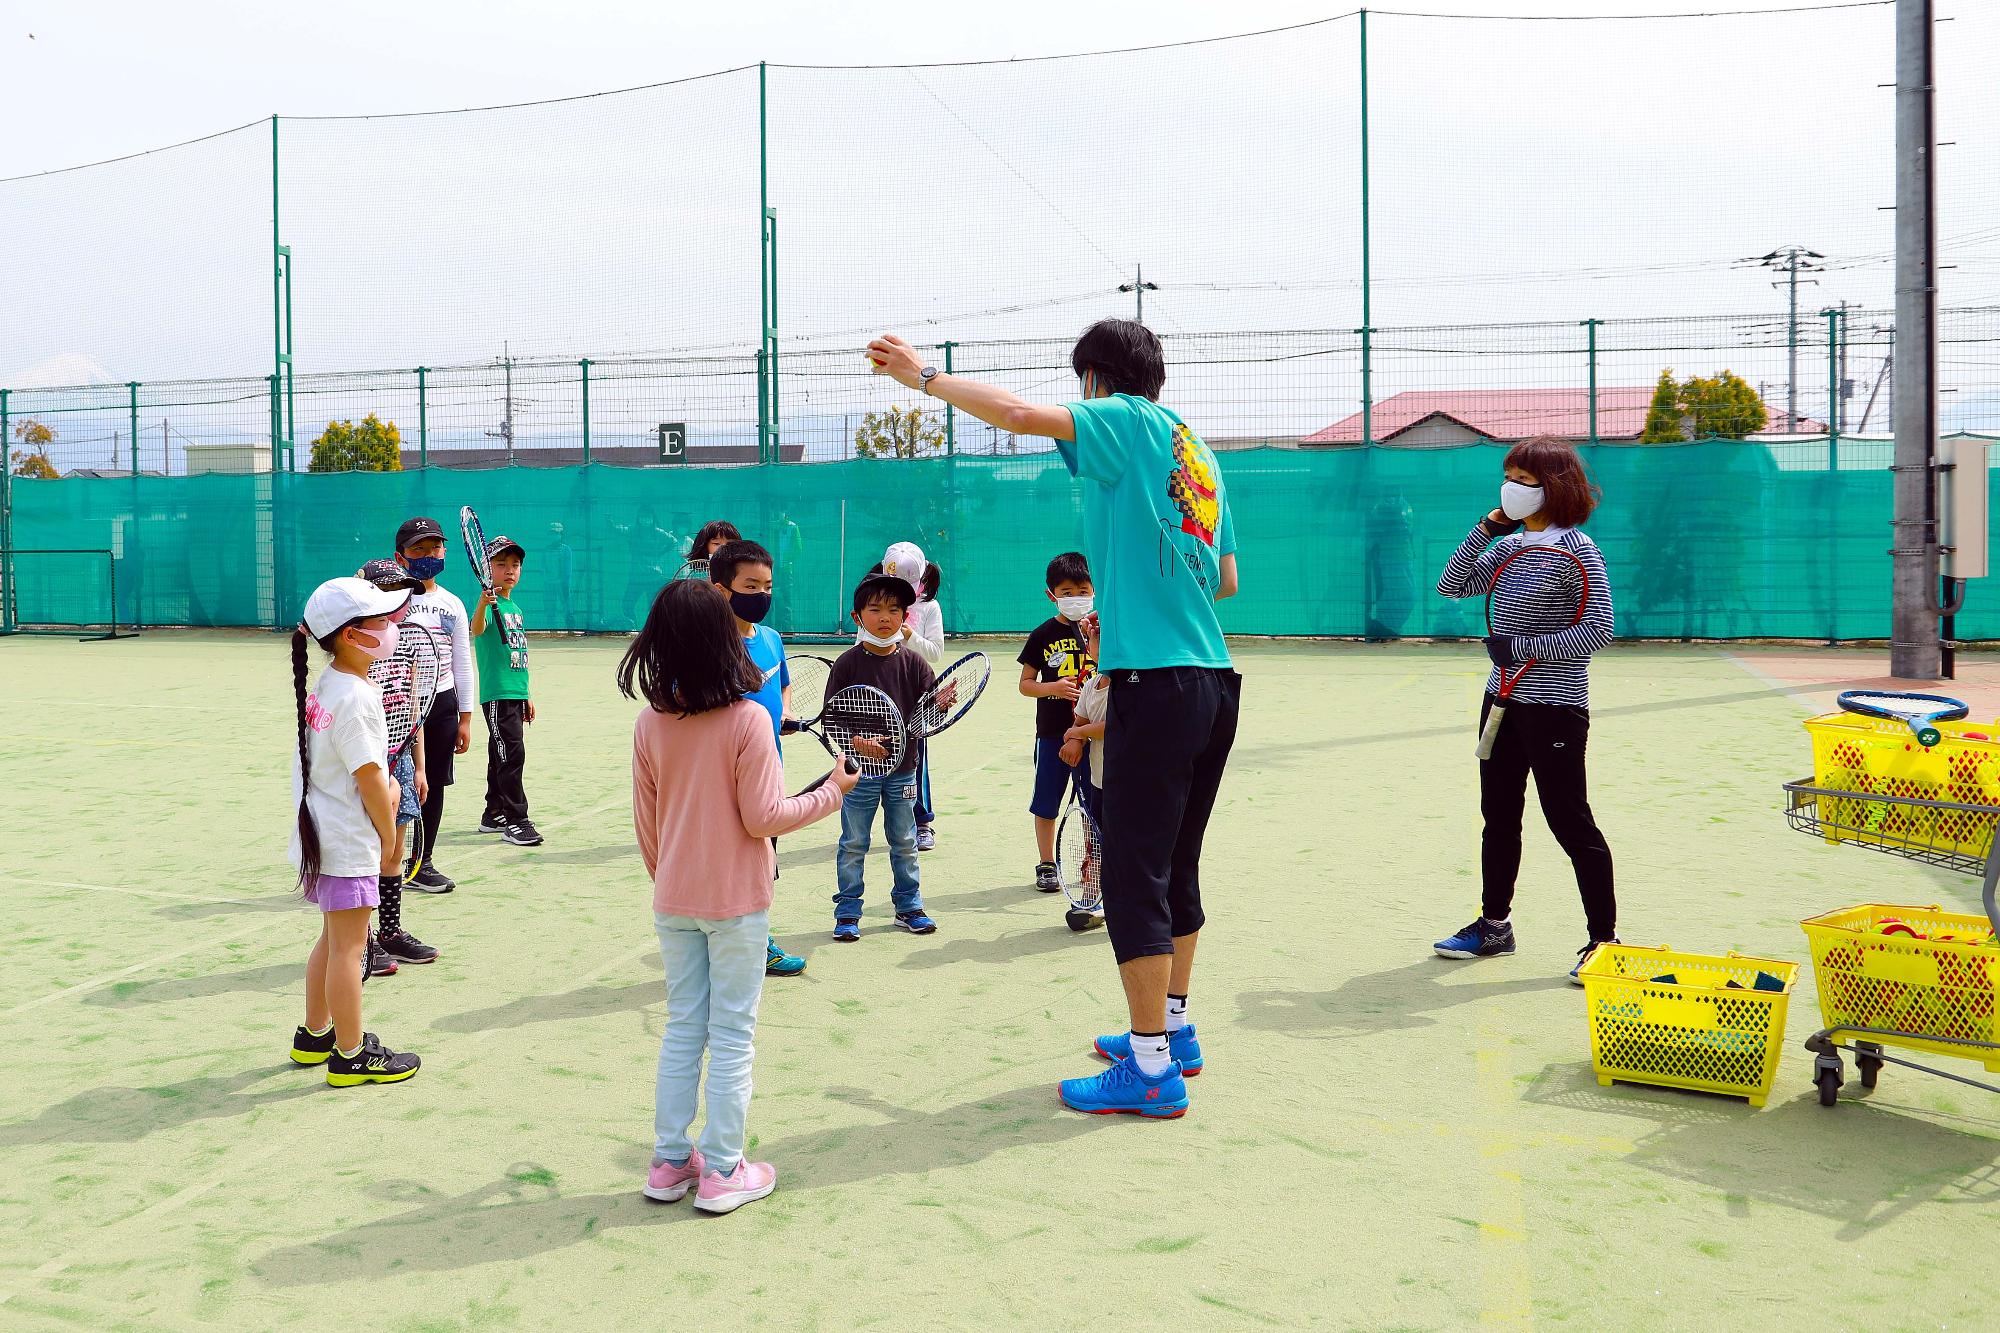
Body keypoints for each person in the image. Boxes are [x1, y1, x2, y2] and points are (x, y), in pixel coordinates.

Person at [866, 319, 1240, 1119]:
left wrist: (923, 379)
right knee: (1176, 867)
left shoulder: (1124, 419)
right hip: (1212, 680)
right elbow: (1227, 580)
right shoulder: (1196, 453)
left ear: (1097, 378)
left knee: (1135, 875)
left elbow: (1014, 415)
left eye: (1083, 384)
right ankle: (1172, 1031)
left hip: (1158, 684)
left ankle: (1149, 1070)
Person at [622, 580, 855, 1214]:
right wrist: (834, 790)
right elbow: (764, 817)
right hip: (736, 907)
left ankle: (670, 1163)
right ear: (723, 640)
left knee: (683, 1030)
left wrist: (670, 877)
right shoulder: (749, 719)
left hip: (672, 899)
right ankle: (724, 1169)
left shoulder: (650, 722)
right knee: (731, 1036)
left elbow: (647, 824)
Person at [1431, 435, 1617, 983]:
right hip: (1501, 703)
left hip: (1556, 708)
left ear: (1554, 490)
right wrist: (1490, 525)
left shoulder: (1579, 551)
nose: (1512, 490)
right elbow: (1452, 585)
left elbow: (1599, 629)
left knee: (1569, 820)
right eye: (1508, 479)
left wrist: (1526, 648)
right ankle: (1495, 926)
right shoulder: (1509, 547)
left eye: (1525, 483)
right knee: (1499, 817)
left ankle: (1603, 939)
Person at [285, 577, 423, 1087]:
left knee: (332, 938)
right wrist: (389, 836)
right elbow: (369, 777)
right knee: (349, 947)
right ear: (349, 635)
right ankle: (349, 1055)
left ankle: (315, 1034)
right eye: (381, 621)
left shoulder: (330, 685)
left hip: (325, 832)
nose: (391, 628)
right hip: (347, 838)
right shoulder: (359, 698)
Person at [707, 538, 810, 978]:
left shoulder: (770, 637)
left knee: (764, 862)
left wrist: (783, 712)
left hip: (769, 771)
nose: (762, 595)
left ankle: (757, 942)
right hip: (719, 777)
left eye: (768, 585)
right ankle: (722, 941)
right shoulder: (706, 645)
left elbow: (781, 683)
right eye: (751, 585)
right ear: (720, 589)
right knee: (722, 862)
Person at [826, 573, 938, 942]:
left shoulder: (917, 665)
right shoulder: (846, 664)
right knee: (854, 842)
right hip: (859, 775)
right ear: (858, 617)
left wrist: (941, 705)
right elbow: (832, 718)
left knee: (904, 841)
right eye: (875, 609)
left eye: (894, 610)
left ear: (906, 617)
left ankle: (909, 908)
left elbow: (927, 718)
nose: (885, 617)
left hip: (904, 773)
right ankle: (847, 913)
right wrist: (857, 742)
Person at [356, 558, 441, 971]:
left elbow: (413, 706)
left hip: (402, 758)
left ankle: (389, 932)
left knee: (395, 851)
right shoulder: (356, 645)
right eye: (388, 592)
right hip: (366, 765)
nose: (399, 600)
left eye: (403, 592)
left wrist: (419, 768)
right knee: (368, 854)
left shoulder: (409, 642)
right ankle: (362, 941)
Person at [394, 516, 477, 893]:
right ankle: (384, 863)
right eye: (418, 549)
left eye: (434, 548)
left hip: (441, 705)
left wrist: (465, 717)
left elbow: (462, 660)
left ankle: (420, 863)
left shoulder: (453, 604)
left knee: (433, 786)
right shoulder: (389, 600)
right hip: (395, 706)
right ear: (401, 557)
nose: (428, 555)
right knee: (393, 784)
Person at [1016, 552, 1094, 893]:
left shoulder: (1101, 629)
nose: (1075, 598)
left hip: (1095, 736)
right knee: (1047, 801)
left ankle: (1096, 860)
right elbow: (1025, 684)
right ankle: (1047, 863)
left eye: (1082, 590)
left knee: (1096, 803)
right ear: (1052, 595)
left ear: (1094, 589)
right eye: (1066, 592)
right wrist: (1054, 688)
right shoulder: (1042, 635)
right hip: (1052, 735)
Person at [471, 533, 542, 847]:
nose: (510, 570)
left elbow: (518, 655)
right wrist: (483, 603)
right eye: (501, 564)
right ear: (488, 569)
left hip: (514, 692)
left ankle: (494, 812)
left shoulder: (515, 607)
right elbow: (478, 630)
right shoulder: (489, 603)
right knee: (512, 754)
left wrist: (525, 695)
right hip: (497, 693)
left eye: (515, 565)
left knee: (498, 752)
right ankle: (517, 819)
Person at [875, 542, 946, 849]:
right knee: (873, 761)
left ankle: (922, 823)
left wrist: (908, 634)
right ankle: (871, 820)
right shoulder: (873, 605)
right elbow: (860, 646)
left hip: (915, 698)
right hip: (878, 696)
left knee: (916, 761)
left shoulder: (929, 608)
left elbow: (935, 653)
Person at [1061, 610, 1109, 934]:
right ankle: (1095, 901)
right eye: (1097, 637)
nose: (1104, 644)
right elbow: (1079, 724)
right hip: (1099, 783)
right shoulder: (1091, 687)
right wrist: (1075, 738)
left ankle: (1138, 905)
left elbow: (1115, 726)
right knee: (1098, 842)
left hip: (1133, 786)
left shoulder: (1131, 685)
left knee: (1131, 847)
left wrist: (1079, 734)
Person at [547, 522, 576, 631]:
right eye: (551, 533)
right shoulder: (546, 550)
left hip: (563, 585)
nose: (553, 536)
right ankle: (552, 632)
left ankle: (571, 631)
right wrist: (548, 580)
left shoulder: (566, 550)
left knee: (568, 609)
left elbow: (567, 570)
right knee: (550, 609)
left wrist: (564, 583)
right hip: (549, 584)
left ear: (561, 534)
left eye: (556, 533)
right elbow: (544, 567)